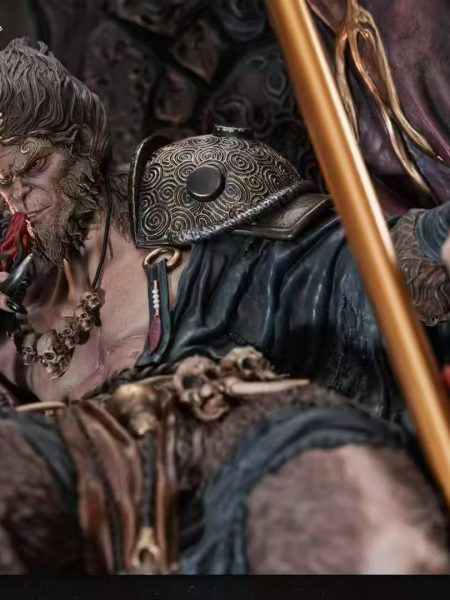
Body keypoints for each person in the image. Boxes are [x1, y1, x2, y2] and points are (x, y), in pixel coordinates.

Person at [0, 38, 448, 574]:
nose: (19, 197)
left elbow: (322, 270)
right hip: (132, 546)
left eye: (34, 165)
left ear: (82, 140)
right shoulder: (18, 323)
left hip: (264, 463)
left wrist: (426, 246)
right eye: (1, 183)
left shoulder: (188, 194)